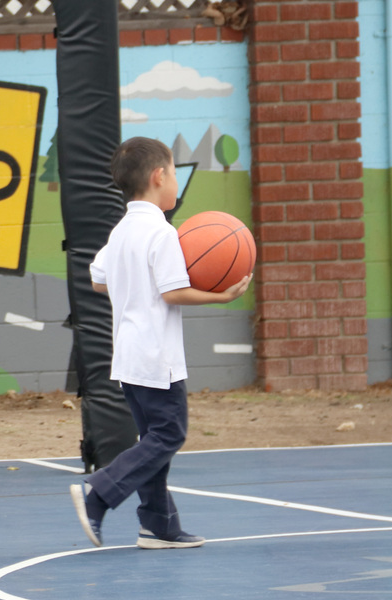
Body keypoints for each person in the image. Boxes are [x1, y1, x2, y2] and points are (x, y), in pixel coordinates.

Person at [69, 137, 251, 550]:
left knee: (153, 439)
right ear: (158, 176)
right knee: (169, 435)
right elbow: (173, 293)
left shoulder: (121, 231)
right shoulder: (162, 232)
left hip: (130, 356)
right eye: (172, 172)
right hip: (157, 357)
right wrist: (222, 296)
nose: (174, 181)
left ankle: (158, 525)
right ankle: (98, 491)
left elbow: (98, 279)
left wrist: (131, 284)